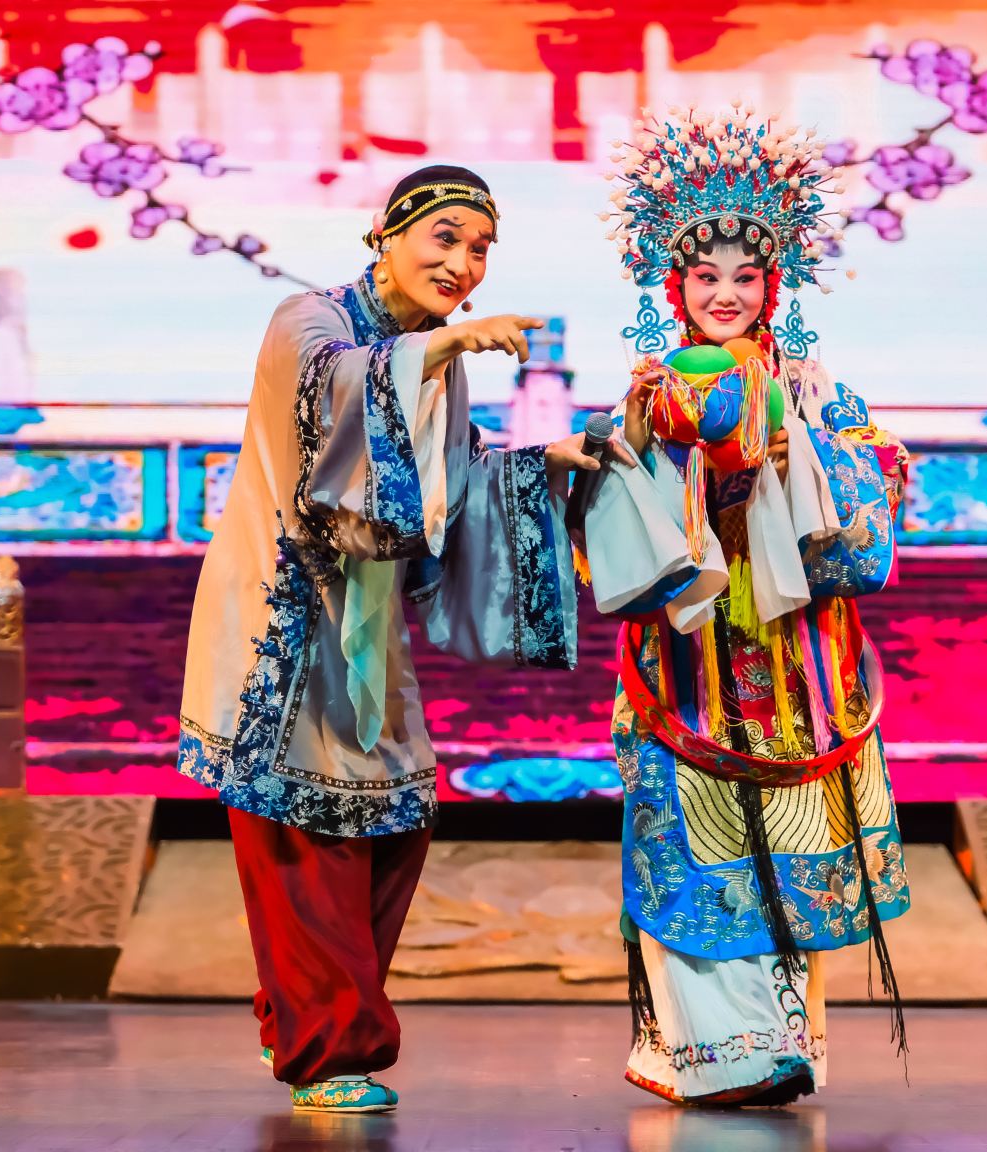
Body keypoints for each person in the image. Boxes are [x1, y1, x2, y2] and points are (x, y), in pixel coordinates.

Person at [176, 165, 630, 1114]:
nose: (463, 264)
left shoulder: (432, 355)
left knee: (392, 821)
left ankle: (306, 1019)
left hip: (367, 626)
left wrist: (542, 463)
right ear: (384, 234)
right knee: (306, 836)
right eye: (445, 239)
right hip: (283, 613)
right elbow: (327, 396)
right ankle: (326, 1047)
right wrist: (446, 342)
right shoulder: (310, 321)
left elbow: (446, 482)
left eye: (480, 249)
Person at [577, 109, 913, 1107]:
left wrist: (815, 457)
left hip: (801, 666)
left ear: (775, 286)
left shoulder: (816, 391)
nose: (724, 295)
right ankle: (712, 1055)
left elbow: (873, 510)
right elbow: (610, 539)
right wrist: (667, 460)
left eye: (745, 278)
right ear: (672, 289)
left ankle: (786, 1043)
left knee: (797, 846)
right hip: (688, 669)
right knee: (695, 847)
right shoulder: (646, 399)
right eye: (703, 277)